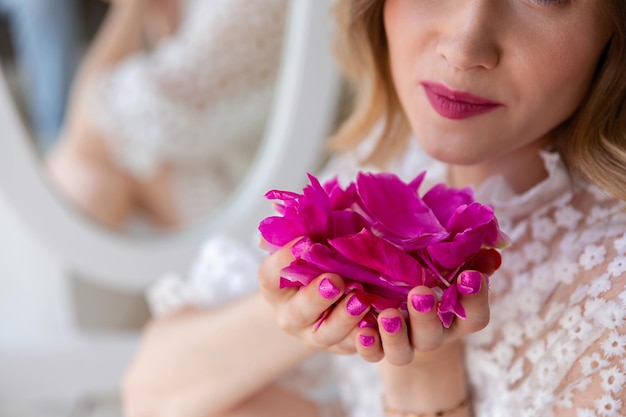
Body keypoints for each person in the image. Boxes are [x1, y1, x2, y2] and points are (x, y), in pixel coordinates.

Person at [123, 0, 625, 416]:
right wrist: (305, 309)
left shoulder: (612, 300)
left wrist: (423, 373)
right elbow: (150, 392)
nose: (464, 46)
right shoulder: (395, 154)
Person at [46, 0, 287, 229]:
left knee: (93, 160)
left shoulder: (245, 8)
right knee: (86, 169)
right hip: (218, 162)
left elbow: (102, 111)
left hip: (248, 187)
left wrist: (132, 9)